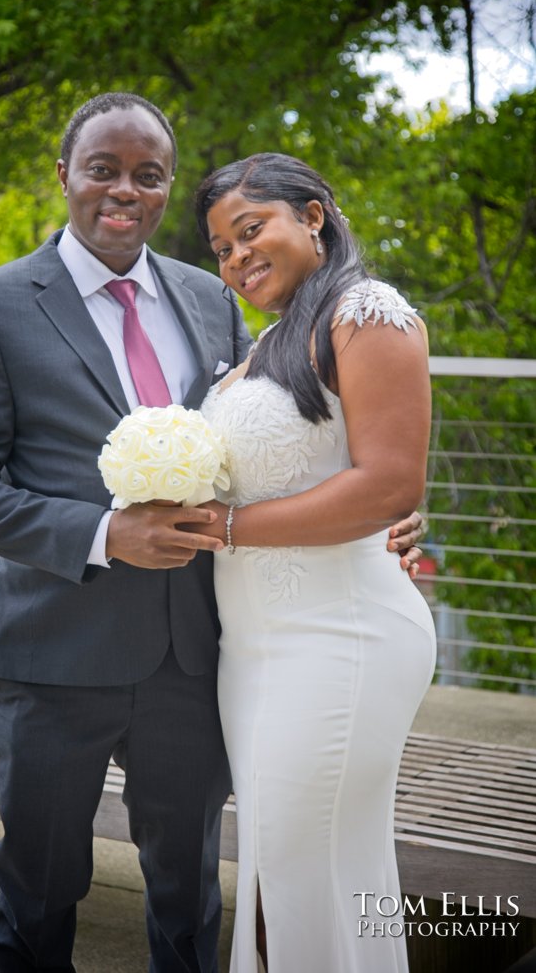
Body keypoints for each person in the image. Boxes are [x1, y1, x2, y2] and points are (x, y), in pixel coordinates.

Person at [0, 94, 424, 973]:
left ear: (164, 188)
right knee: (37, 893)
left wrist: (387, 513)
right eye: (103, 169)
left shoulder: (214, 297)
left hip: (198, 657)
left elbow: (293, 439)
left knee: (191, 898)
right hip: (54, 655)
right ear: (66, 177)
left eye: (147, 176)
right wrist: (100, 533)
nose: (125, 190)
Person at [194, 153, 437, 973]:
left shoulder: (367, 312)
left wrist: (224, 525)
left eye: (249, 229)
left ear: (314, 216)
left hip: (341, 637)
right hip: (253, 651)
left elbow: (389, 482)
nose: (236, 258)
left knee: (300, 866)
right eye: (220, 248)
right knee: (279, 869)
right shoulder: (273, 338)